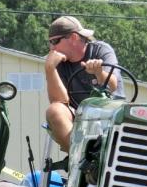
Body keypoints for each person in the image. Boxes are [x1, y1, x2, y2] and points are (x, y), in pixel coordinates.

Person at [45, 16, 123, 152]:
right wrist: (50, 69)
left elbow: (113, 86)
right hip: (81, 118)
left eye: (55, 41)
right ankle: (78, 156)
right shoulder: (58, 62)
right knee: (54, 110)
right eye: (50, 43)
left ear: (74, 37)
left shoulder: (101, 50)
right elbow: (59, 102)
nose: (52, 48)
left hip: (113, 113)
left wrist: (99, 73)